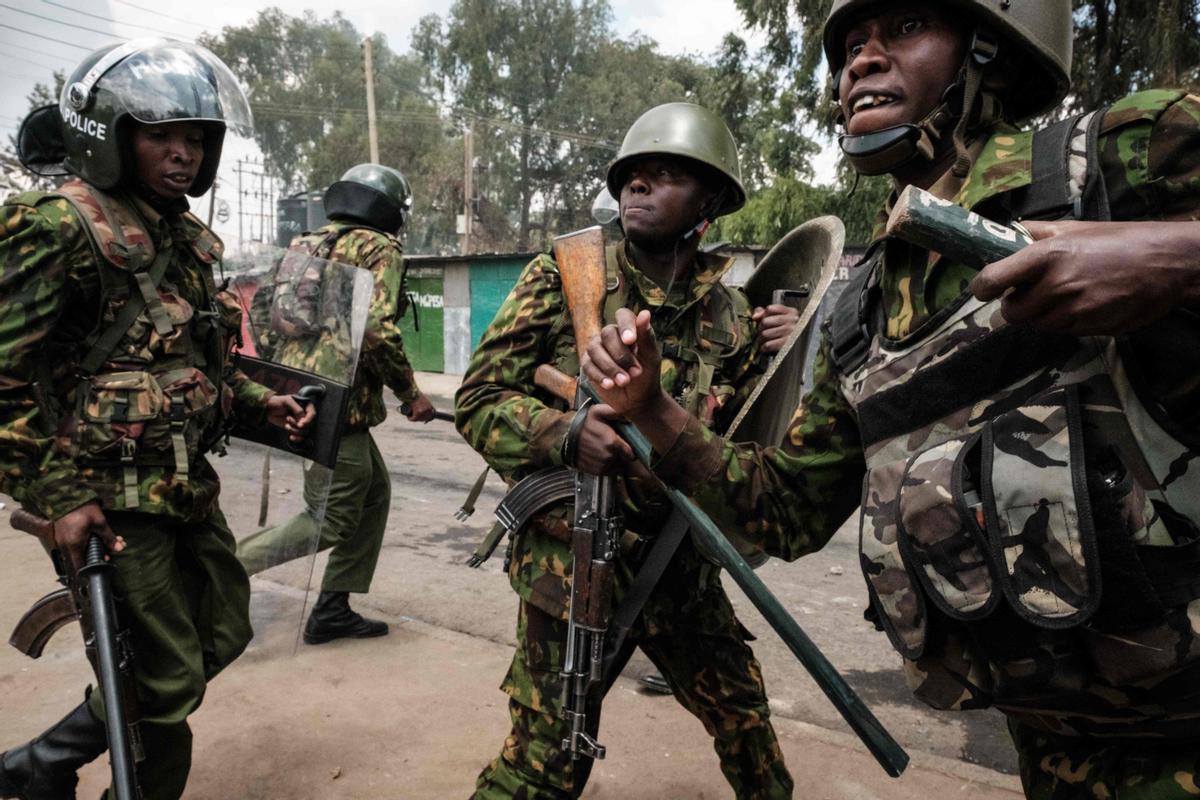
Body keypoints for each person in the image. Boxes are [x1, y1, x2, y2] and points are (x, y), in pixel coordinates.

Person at [582, 2, 1200, 797]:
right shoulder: (863, 308)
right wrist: (650, 410)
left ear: (989, 46)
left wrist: (1179, 259)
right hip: (1057, 755)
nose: (860, 63)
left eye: (903, 27)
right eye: (848, 48)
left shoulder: (1128, 155)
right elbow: (786, 511)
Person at [455, 102, 801, 799]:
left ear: (710, 200)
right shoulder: (565, 273)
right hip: (574, 561)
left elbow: (743, 444)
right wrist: (564, 434)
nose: (639, 187)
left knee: (746, 722)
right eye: (632, 176)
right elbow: (479, 398)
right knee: (548, 761)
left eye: (664, 174)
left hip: (677, 559)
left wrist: (787, 347)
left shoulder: (731, 315)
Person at [0, 40, 313, 800]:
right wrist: (59, 497)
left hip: (181, 486)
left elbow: (188, 356)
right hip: (106, 498)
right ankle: (67, 772)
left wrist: (250, 399)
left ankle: (41, 762)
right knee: (165, 677)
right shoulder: (57, 226)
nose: (183, 155)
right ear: (110, 135)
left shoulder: (177, 234)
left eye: (196, 139)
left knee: (223, 632)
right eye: (161, 135)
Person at [236, 163, 435, 644]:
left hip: (306, 391)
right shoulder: (378, 247)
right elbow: (377, 329)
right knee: (328, 518)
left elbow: (260, 311)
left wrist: (285, 371)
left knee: (373, 495)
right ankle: (217, 571)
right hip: (337, 405)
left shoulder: (305, 244)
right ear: (390, 210)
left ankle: (333, 607)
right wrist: (411, 393)